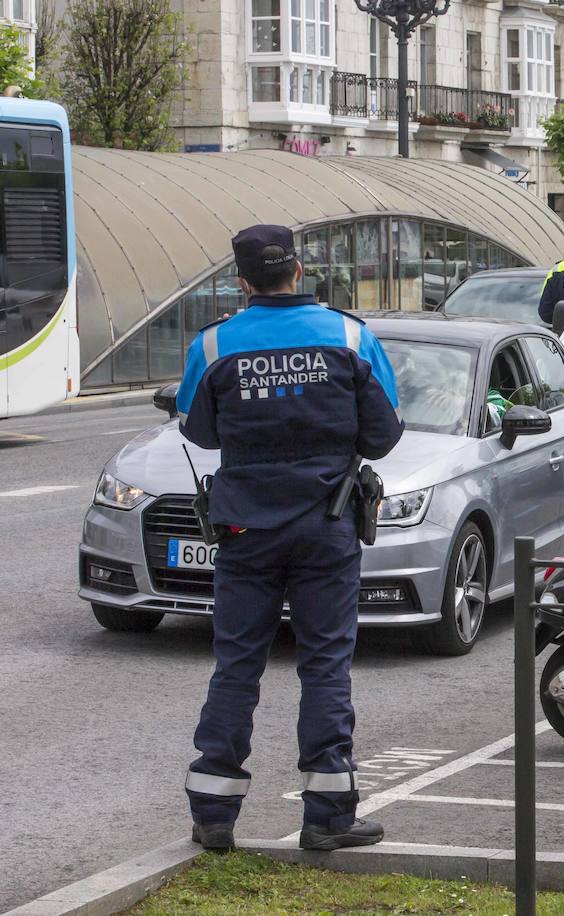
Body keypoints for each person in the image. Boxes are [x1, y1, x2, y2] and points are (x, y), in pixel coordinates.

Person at [176, 225, 405, 853]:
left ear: (243, 281)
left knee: (237, 665)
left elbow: (199, 431)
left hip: (246, 525)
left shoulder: (216, 341)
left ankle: (214, 814)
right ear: (299, 271)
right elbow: (385, 435)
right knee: (325, 663)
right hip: (326, 523)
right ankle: (329, 816)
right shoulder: (350, 335)